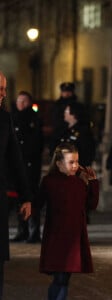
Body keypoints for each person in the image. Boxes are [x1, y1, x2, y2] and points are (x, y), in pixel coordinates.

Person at [36, 142, 99, 300]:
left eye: (77, 161)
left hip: (74, 236)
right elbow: (38, 203)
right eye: (71, 162)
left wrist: (93, 183)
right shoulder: (49, 182)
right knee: (60, 278)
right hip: (57, 236)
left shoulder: (78, 183)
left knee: (65, 278)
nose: (75, 165)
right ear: (59, 164)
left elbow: (91, 204)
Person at [0, 71, 31, 300]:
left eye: (4, 89)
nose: (2, 94)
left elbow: (15, 160)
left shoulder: (4, 118)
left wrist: (26, 196)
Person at [10, 91, 44, 243]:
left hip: (29, 165)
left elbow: (36, 143)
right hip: (17, 165)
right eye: (19, 101)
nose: (21, 104)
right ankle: (22, 230)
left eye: (24, 101)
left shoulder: (34, 119)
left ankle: (34, 231)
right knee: (19, 199)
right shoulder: (12, 118)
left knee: (31, 197)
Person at [52, 102, 96, 167]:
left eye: (67, 111)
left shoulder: (83, 132)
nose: (65, 113)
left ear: (73, 114)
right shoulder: (64, 130)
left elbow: (86, 153)